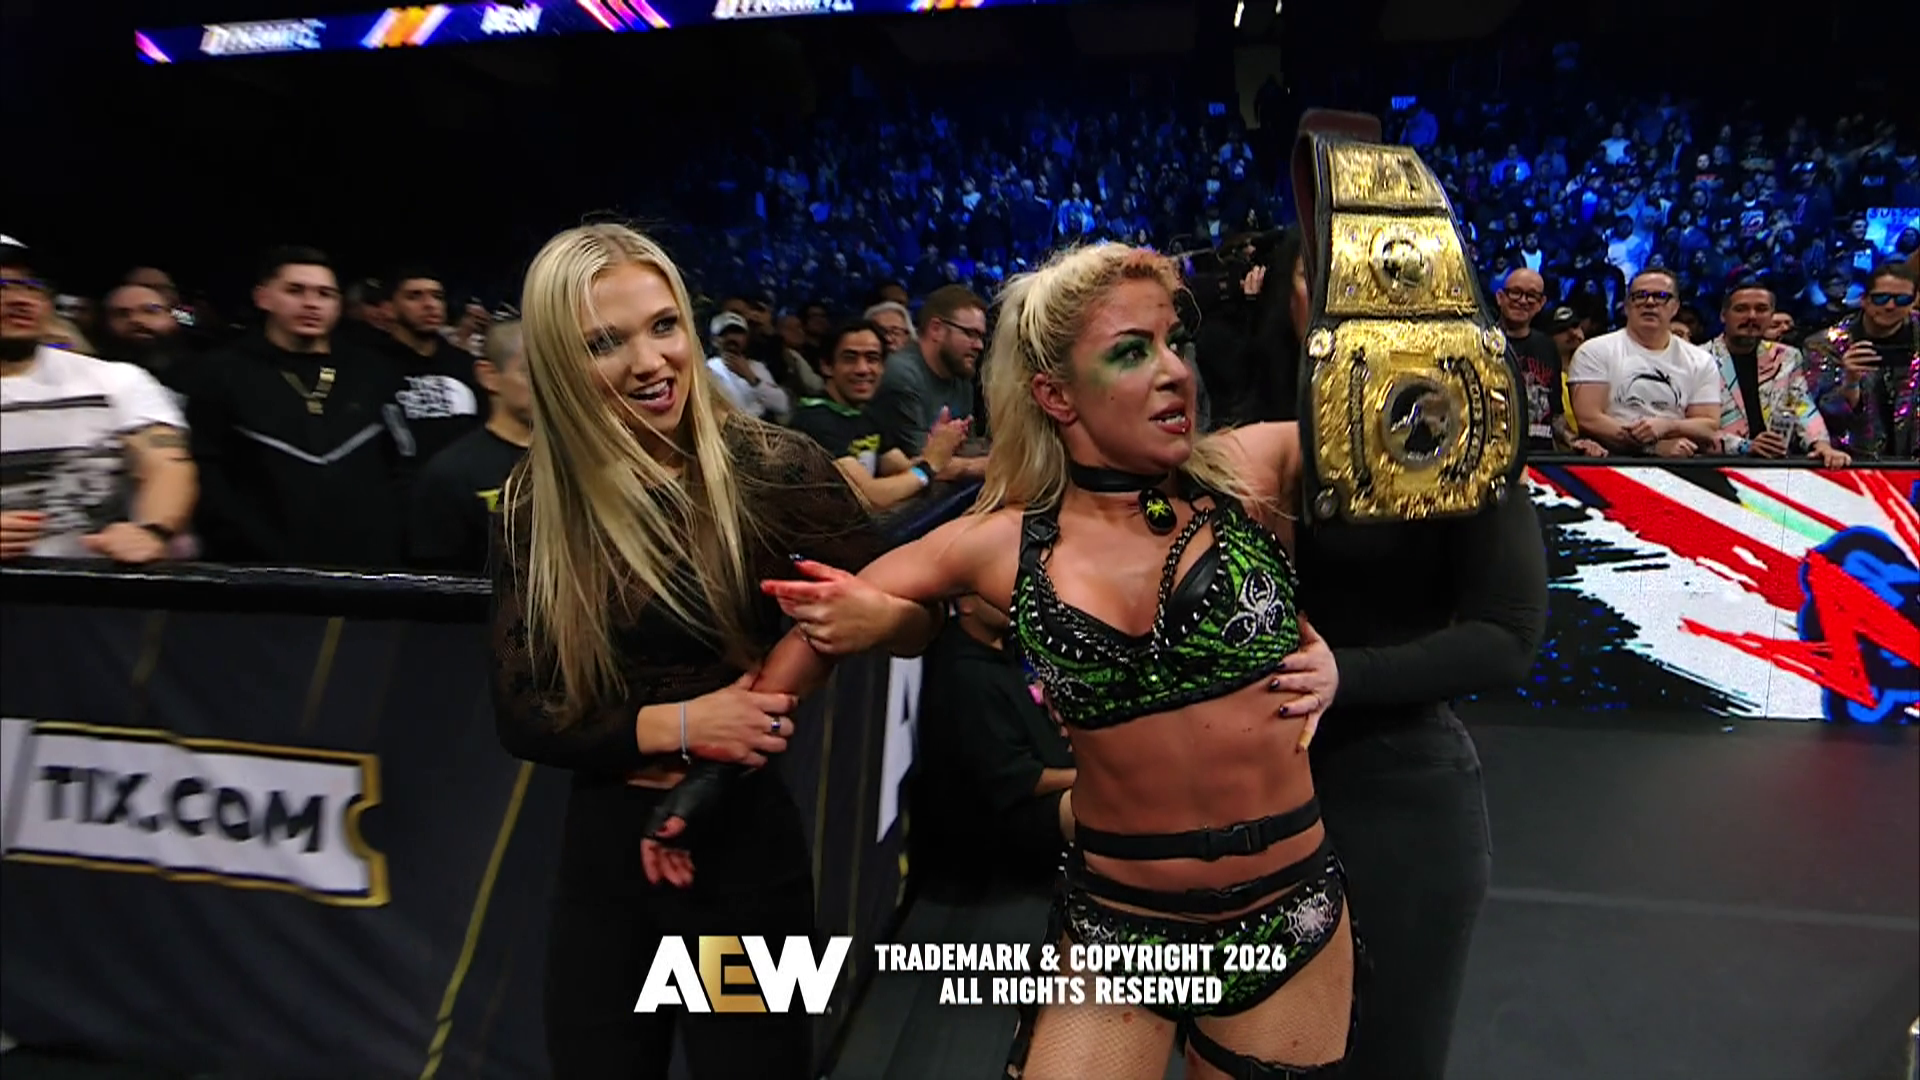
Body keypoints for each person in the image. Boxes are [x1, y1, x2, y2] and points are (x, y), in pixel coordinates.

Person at [748, 243, 1351, 1079]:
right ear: (1055, 395)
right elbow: (819, 627)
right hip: (1119, 923)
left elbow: (1421, 424)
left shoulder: (1248, 473)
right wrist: (711, 765)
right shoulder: (999, 544)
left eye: (1173, 342)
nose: (1175, 371)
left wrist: (1334, 296)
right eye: (1132, 351)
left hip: (1289, 909)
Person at [486, 224, 924, 1079]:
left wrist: (881, 622)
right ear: (561, 363)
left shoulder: (773, 467)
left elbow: (915, 616)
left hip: (741, 853)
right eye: (606, 342)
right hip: (605, 856)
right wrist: (687, 723)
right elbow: (525, 712)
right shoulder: (534, 502)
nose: (650, 362)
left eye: (664, 326)